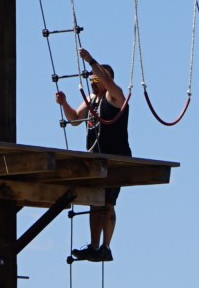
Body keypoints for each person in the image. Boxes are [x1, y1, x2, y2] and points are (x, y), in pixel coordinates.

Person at [55, 47, 131, 264]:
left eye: (96, 79)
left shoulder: (115, 96)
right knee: (95, 202)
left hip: (114, 159)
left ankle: (106, 247)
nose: (92, 82)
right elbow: (74, 119)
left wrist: (90, 60)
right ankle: (94, 245)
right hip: (95, 159)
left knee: (108, 203)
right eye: (91, 79)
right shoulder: (92, 99)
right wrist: (64, 103)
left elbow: (106, 80)